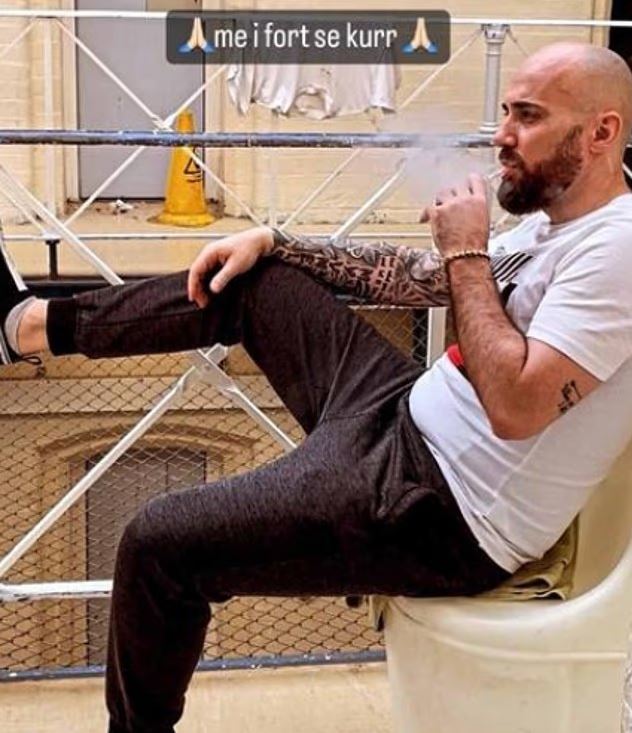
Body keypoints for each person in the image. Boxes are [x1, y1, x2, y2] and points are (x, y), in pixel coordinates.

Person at [1, 41, 632, 733]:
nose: (502, 135)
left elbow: (516, 407)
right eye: (506, 111)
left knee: (158, 543)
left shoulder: (618, 251)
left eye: (528, 116)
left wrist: (466, 250)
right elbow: (416, 277)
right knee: (252, 278)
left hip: (439, 506)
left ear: (601, 132)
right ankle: (27, 325)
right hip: (402, 412)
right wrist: (277, 241)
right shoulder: (554, 223)